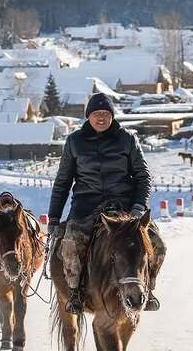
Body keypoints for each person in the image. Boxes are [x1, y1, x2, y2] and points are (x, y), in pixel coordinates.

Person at [47, 92, 166, 314]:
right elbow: (62, 182)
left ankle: (148, 290)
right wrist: (54, 217)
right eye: (96, 114)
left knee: (158, 244)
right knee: (71, 245)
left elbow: (143, 177)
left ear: (112, 115)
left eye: (105, 113)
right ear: (88, 117)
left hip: (125, 209)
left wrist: (138, 208)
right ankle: (75, 294)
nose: (101, 118)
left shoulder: (127, 139)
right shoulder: (74, 141)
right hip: (86, 207)